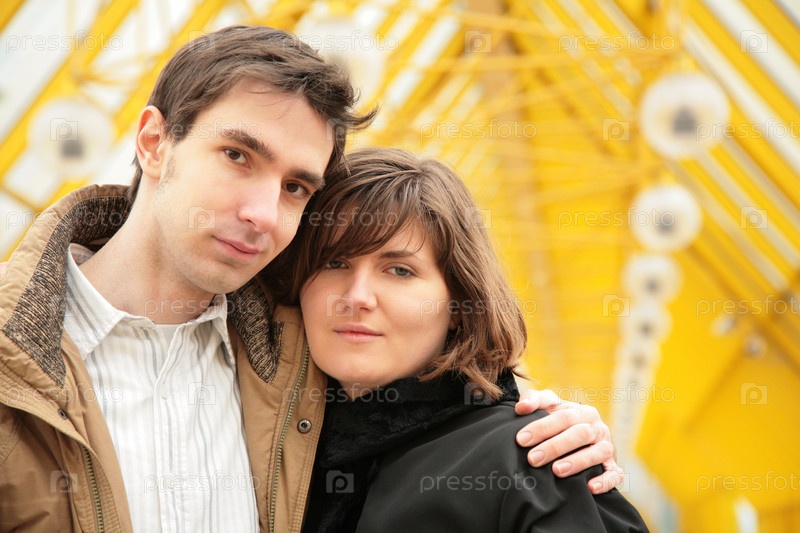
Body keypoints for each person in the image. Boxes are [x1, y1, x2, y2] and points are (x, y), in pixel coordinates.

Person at [0, 26, 621, 533]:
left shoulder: (296, 363)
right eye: (238, 155)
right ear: (154, 141)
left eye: (296, 187)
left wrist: (547, 431)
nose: (263, 214)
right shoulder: (16, 368)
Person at [264, 147, 649, 532]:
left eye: (399, 270)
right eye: (334, 263)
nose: (356, 297)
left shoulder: (535, 458)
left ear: (460, 305)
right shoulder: (273, 451)